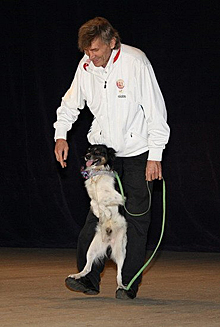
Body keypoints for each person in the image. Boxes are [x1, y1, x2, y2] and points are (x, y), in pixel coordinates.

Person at [54, 17, 170, 300]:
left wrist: (155, 155)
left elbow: (156, 110)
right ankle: (88, 278)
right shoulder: (86, 65)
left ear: (112, 43)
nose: (90, 56)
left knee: (137, 219)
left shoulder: (135, 62)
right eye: (86, 51)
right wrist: (61, 135)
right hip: (102, 152)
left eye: (95, 50)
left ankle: (127, 284)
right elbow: (71, 102)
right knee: (97, 214)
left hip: (137, 152)